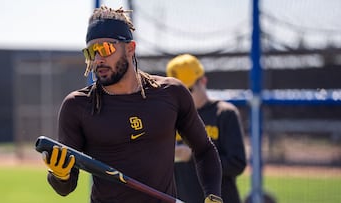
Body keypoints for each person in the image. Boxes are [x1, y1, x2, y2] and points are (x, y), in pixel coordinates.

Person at [40, 5, 223, 203]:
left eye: (105, 48)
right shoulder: (77, 106)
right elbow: (66, 187)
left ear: (130, 48)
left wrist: (213, 195)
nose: (98, 59)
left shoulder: (172, 93)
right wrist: (59, 175)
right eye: (91, 52)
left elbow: (204, 150)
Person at [166, 54, 247, 203]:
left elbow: (237, 164)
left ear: (203, 81)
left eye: (188, 89)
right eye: (178, 91)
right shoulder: (171, 118)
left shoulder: (224, 114)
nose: (184, 97)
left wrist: (192, 157)